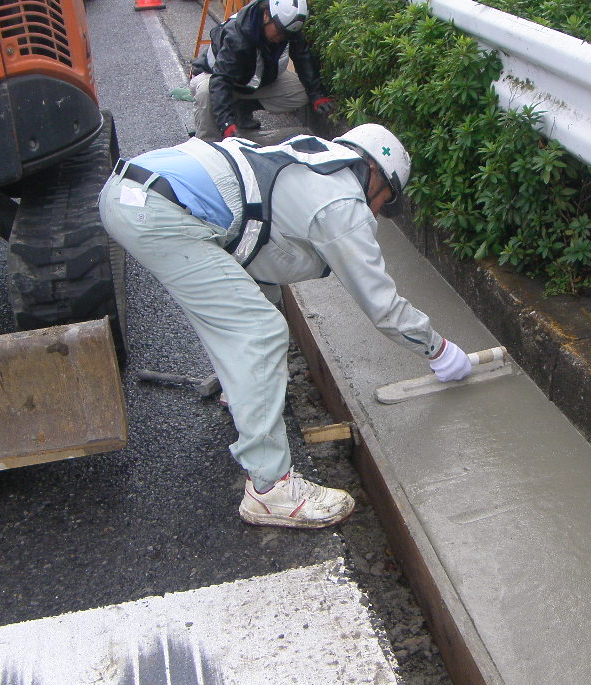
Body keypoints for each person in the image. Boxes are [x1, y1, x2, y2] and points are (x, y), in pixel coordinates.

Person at [98, 124, 474, 529]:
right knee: (260, 332)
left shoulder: (305, 158)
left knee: (254, 303)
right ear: (373, 171)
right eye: (386, 198)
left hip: (132, 188)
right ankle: (270, 489)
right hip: (156, 210)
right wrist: (439, 350)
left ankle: (241, 391)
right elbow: (381, 305)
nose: (379, 211)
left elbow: (258, 247)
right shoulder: (342, 203)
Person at [189, 0, 336, 141]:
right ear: (266, 15)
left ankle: (242, 108)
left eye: (287, 35)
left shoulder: (286, 27)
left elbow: (302, 56)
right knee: (206, 93)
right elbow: (221, 81)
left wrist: (317, 95)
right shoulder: (238, 36)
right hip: (215, 77)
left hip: (251, 79)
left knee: (301, 92)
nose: (281, 38)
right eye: (279, 32)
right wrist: (226, 123)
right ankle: (208, 144)